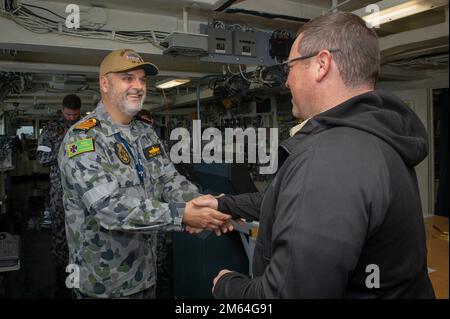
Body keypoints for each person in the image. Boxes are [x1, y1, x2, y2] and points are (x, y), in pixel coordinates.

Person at [193, 12, 435, 298]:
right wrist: (225, 205)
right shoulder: (374, 136)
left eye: (290, 67)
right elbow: (288, 200)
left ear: (321, 64)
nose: (286, 82)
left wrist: (227, 285)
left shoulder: (330, 158)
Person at [58, 49, 231, 299]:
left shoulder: (145, 133)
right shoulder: (83, 138)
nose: (138, 86)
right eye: (128, 78)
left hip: (145, 273)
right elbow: (108, 208)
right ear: (104, 84)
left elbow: (168, 180)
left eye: (142, 80)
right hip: (105, 283)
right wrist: (184, 216)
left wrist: (204, 204)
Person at [36, 94, 82, 298]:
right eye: (67, 114)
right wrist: (64, 151)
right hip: (60, 190)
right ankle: (61, 272)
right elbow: (41, 157)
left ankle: (82, 266)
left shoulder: (85, 127)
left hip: (82, 189)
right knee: (60, 231)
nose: (71, 118)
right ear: (61, 109)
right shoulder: (50, 130)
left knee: (82, 229)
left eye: (74, 114)